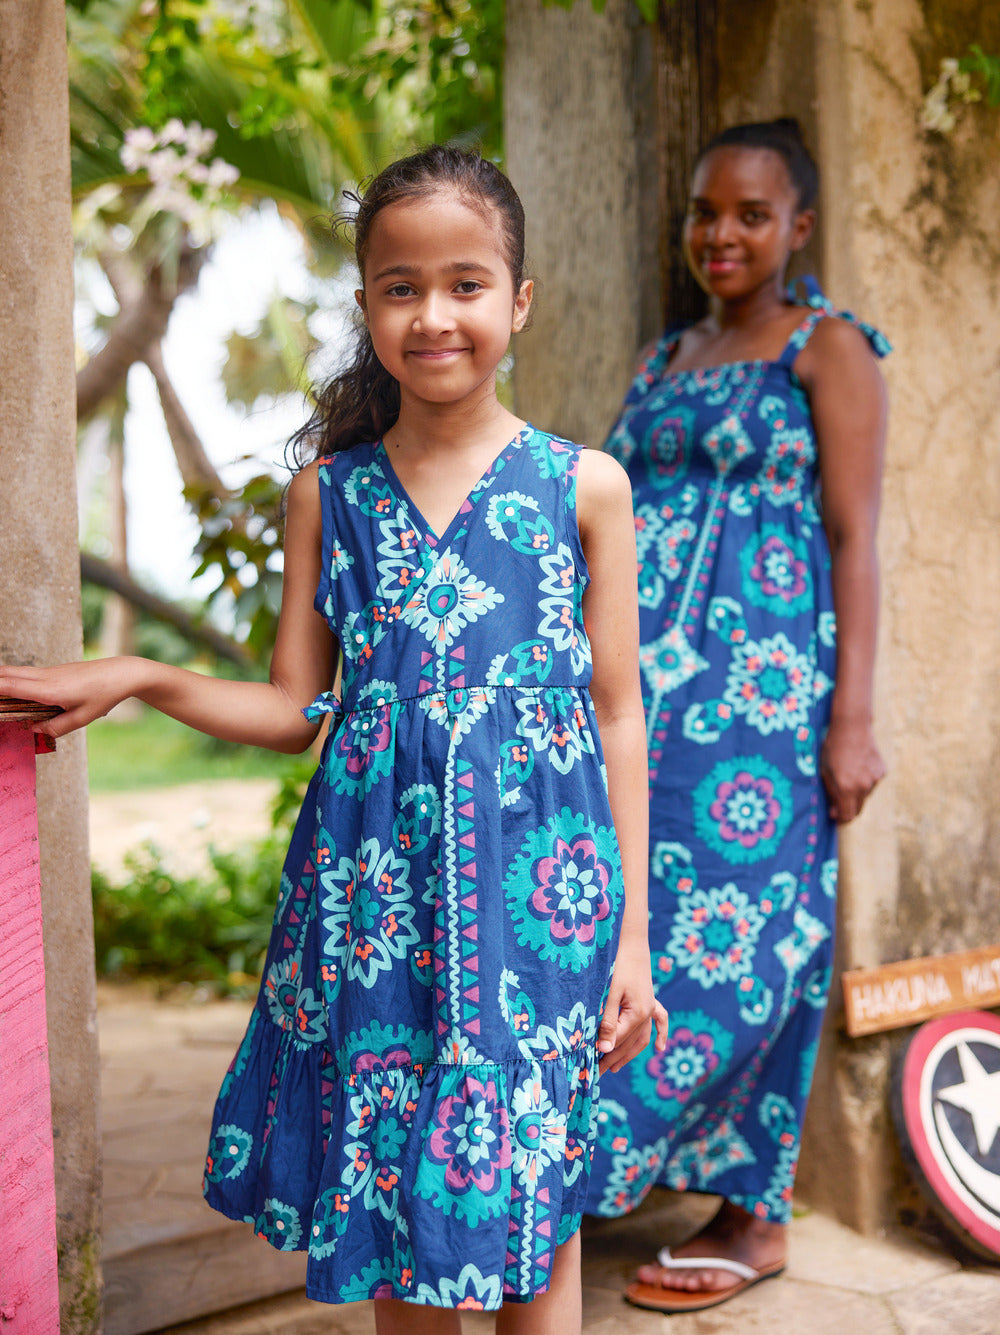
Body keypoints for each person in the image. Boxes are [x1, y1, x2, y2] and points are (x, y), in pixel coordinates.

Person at [1, 145, 668, 1332]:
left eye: (466, 284)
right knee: (391, 1213)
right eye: (400, 287)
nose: (434, 315)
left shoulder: (585, 488)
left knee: (534, 1212)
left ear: (517, 301)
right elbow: (295, 712)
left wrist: (631, 942)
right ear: (366, 307)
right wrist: (145, 674)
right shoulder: (332, 495)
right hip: (370, 917)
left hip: (540, 909)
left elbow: (618, 713)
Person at [584, 118, 890, 1314]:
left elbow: (858, 542)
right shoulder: (663, 359)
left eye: (751, 214)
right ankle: (606, 1163)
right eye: (706, 210)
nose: (721, 233)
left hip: (758, 704)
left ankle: (755, 1211)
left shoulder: (827, 349)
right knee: (630, 928)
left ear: (797, 227)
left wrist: (850, 719)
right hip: (631, 704)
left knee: (750, 941)